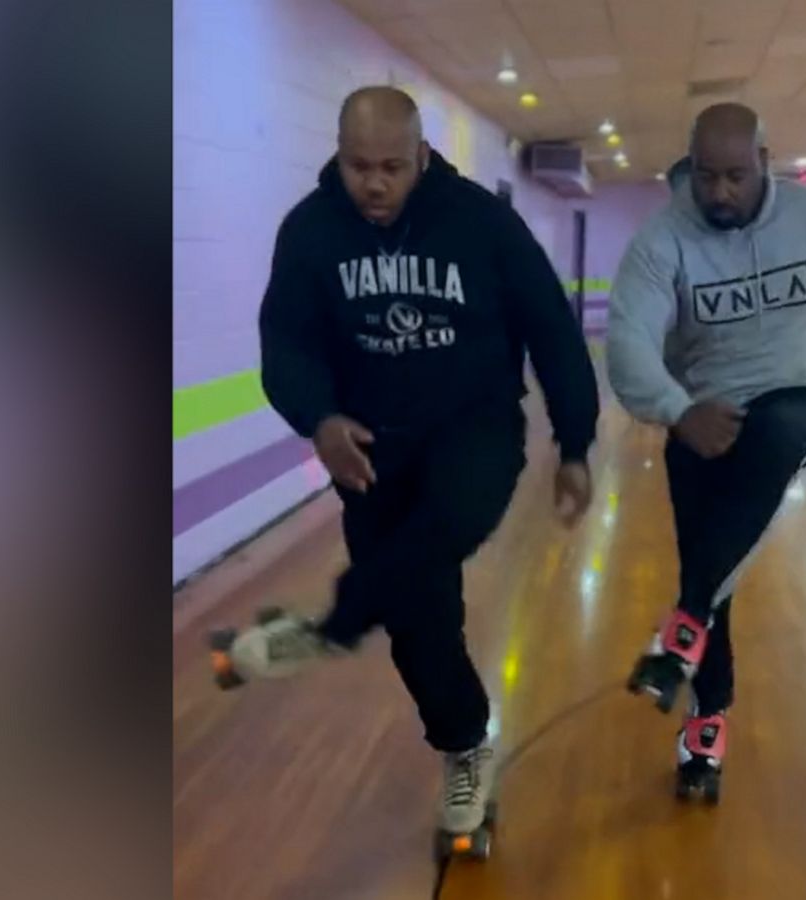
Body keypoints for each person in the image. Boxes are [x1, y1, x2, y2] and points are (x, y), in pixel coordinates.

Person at [229, 86, 599, 840]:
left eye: (392, 167)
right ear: (339, 155)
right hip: (371, 446)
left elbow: (550, 329)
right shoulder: (309, 233)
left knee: (449, 519)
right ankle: (465, 744)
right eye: (359, 165)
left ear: (423, 156)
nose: (374, 183)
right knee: (419, 619)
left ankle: (333, 626)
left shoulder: (483, 223)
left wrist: (576, 442)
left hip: (476, 427)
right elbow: (287, 347)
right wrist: (321, 419)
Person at [606, 103, 806, 798]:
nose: (720, 192)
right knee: (708, 557)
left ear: (766, 160)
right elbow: (628, 342)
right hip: (702, 410)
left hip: (800, 391)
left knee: (773, 440)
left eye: (735, 175)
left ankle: (684, 620)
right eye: (706, 176)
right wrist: (677, 411)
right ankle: (706, 723)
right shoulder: (663, 237)